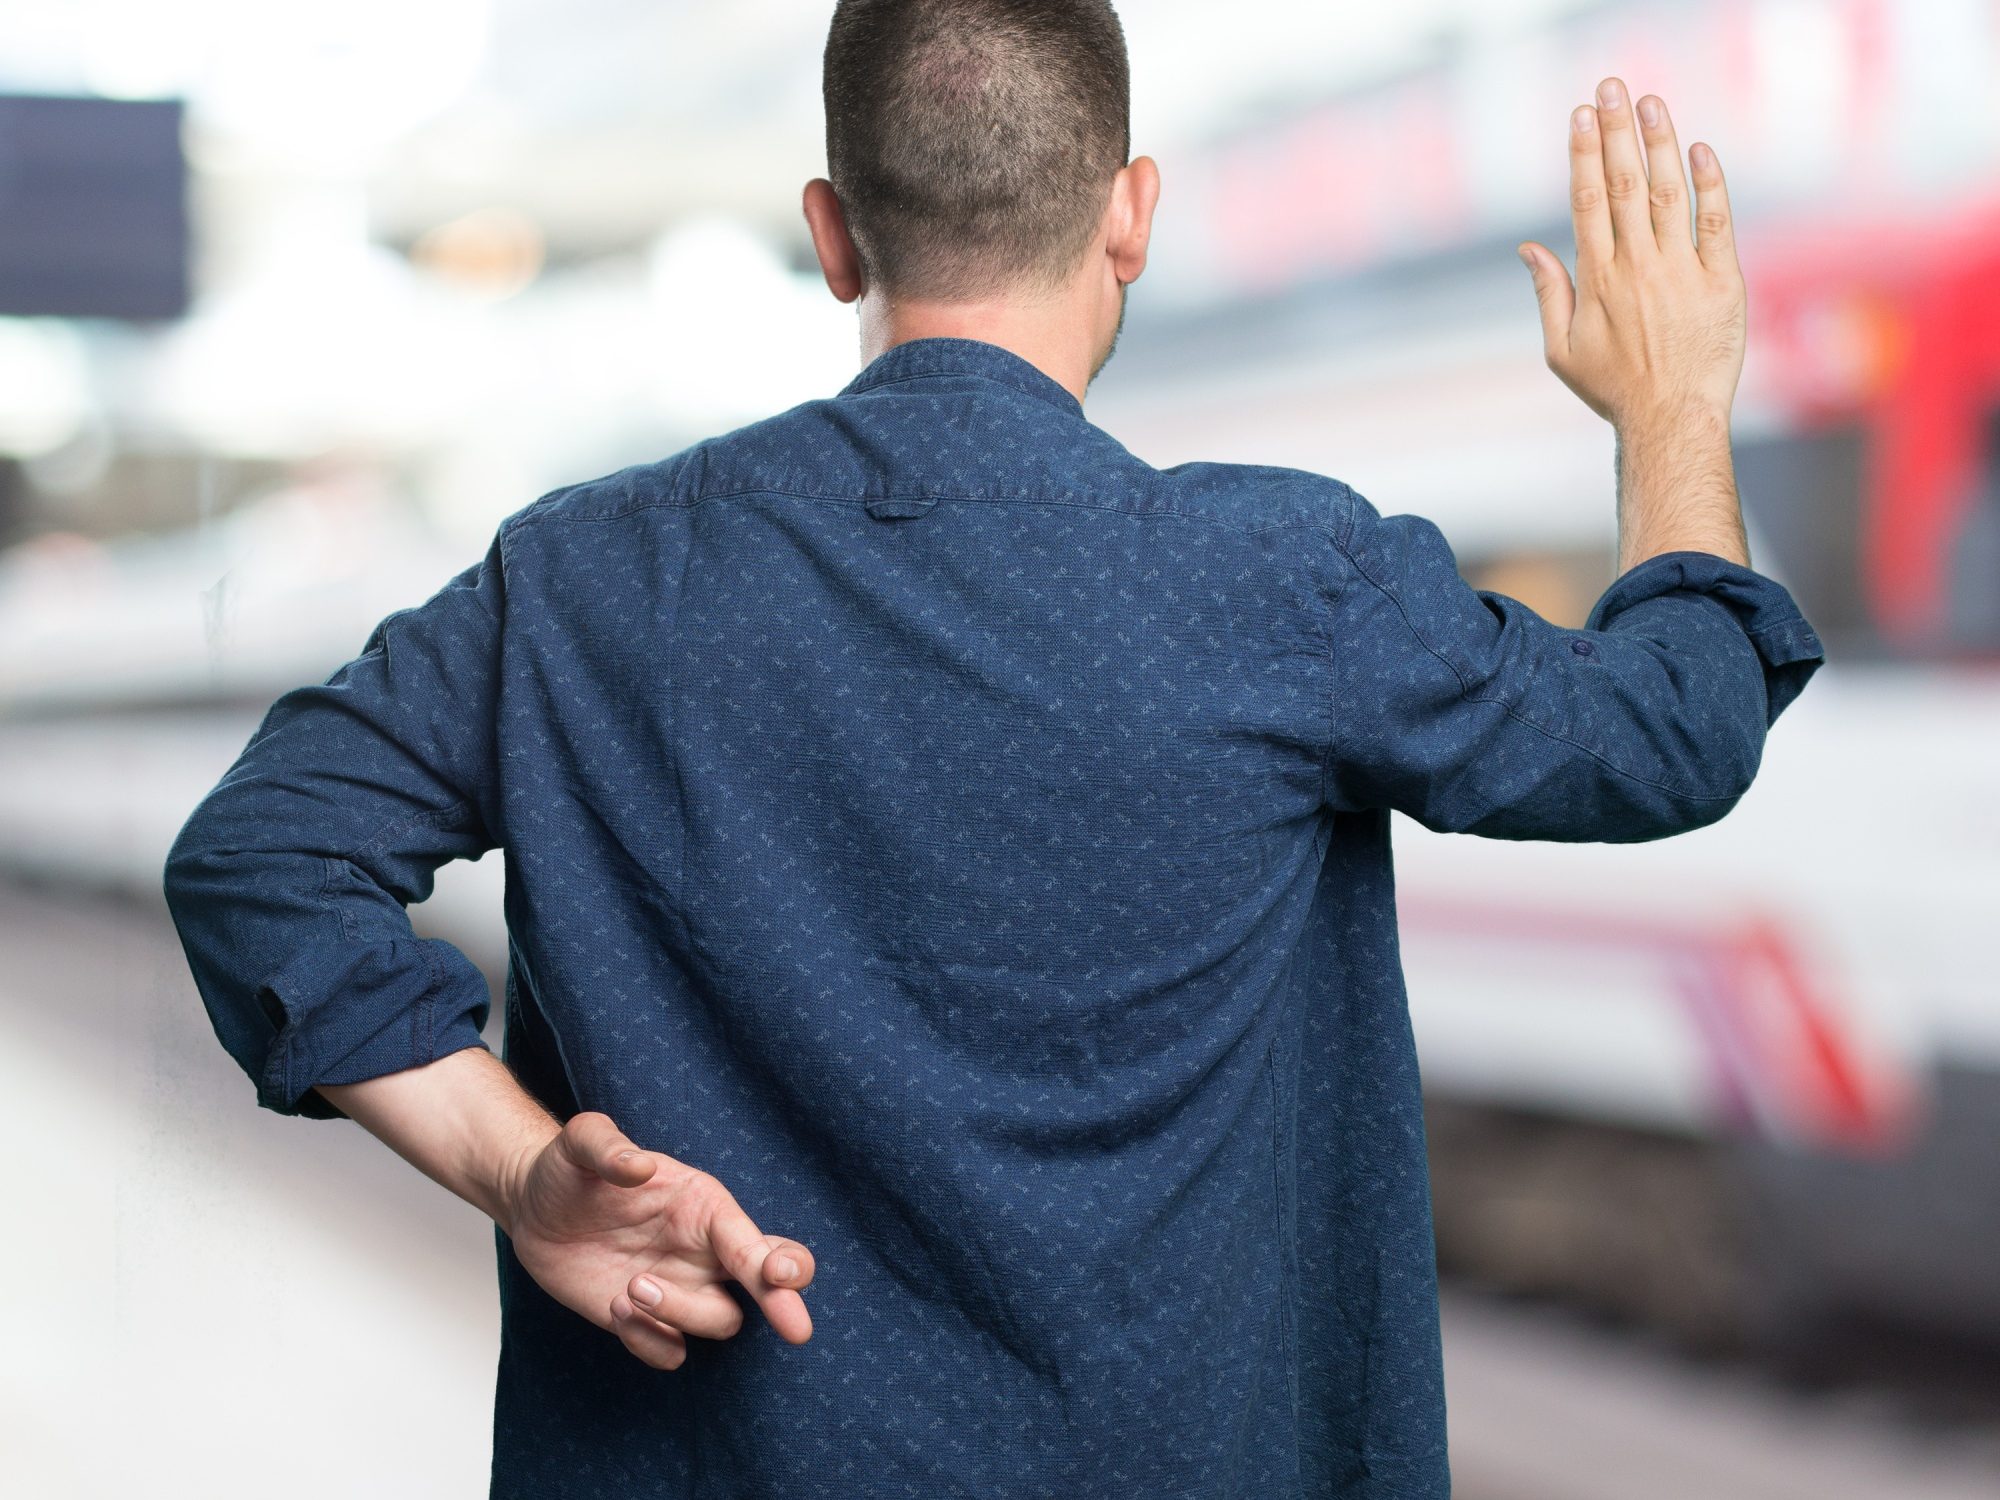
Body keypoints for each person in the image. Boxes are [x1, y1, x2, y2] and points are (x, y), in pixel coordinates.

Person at [161, 2, 1824, 1496]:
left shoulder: (588, 581)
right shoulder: (1287, 583)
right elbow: (1672, 729)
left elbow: (261, 857)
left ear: (830, 232)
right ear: (1132, 213)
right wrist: (1672, 406)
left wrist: (523, 1173)